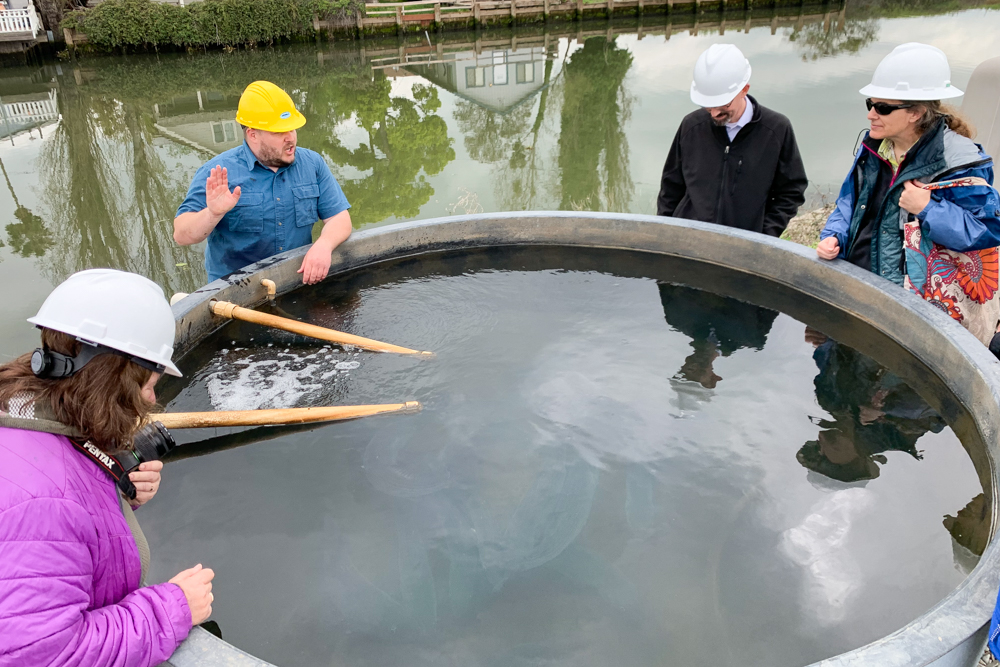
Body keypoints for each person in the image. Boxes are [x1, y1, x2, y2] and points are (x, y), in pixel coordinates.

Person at [0, 269, 214, 666]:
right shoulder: (45, 501)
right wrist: (172, 609)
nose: (150, 399)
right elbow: (43, 656)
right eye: (148, 383)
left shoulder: (22, 413)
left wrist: (110, 490)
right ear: (111, 376)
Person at [817, 43, 1000, 347]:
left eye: (883, 108)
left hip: (915, 309)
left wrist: (928, 207)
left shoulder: (961, 160)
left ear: (915, 112)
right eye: (870, 104)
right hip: (862, 288)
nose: (871, 115)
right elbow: (850, 201)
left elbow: (988, 230)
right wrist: (835, 234)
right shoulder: (874, 146)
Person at [174, 81, 352, 285]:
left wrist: (324, 245)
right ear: (252, 134)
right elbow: (182, 235)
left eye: (292, 129)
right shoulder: (217, 172)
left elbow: (340, 219)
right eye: (278, 132)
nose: (290, 138)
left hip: (295, 282)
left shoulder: (312, 164)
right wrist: (213, 213)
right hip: (235, 291)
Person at [657, 44, 808, 237]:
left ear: (744, 89)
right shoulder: (691, 126)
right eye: (707, 105)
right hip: (688, 241)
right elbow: (670, 186)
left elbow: (791, 191)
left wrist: (764, 235)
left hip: (744, 246)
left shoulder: (777, 130)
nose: (714, 113)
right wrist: (665, 231)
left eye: (723, 104)